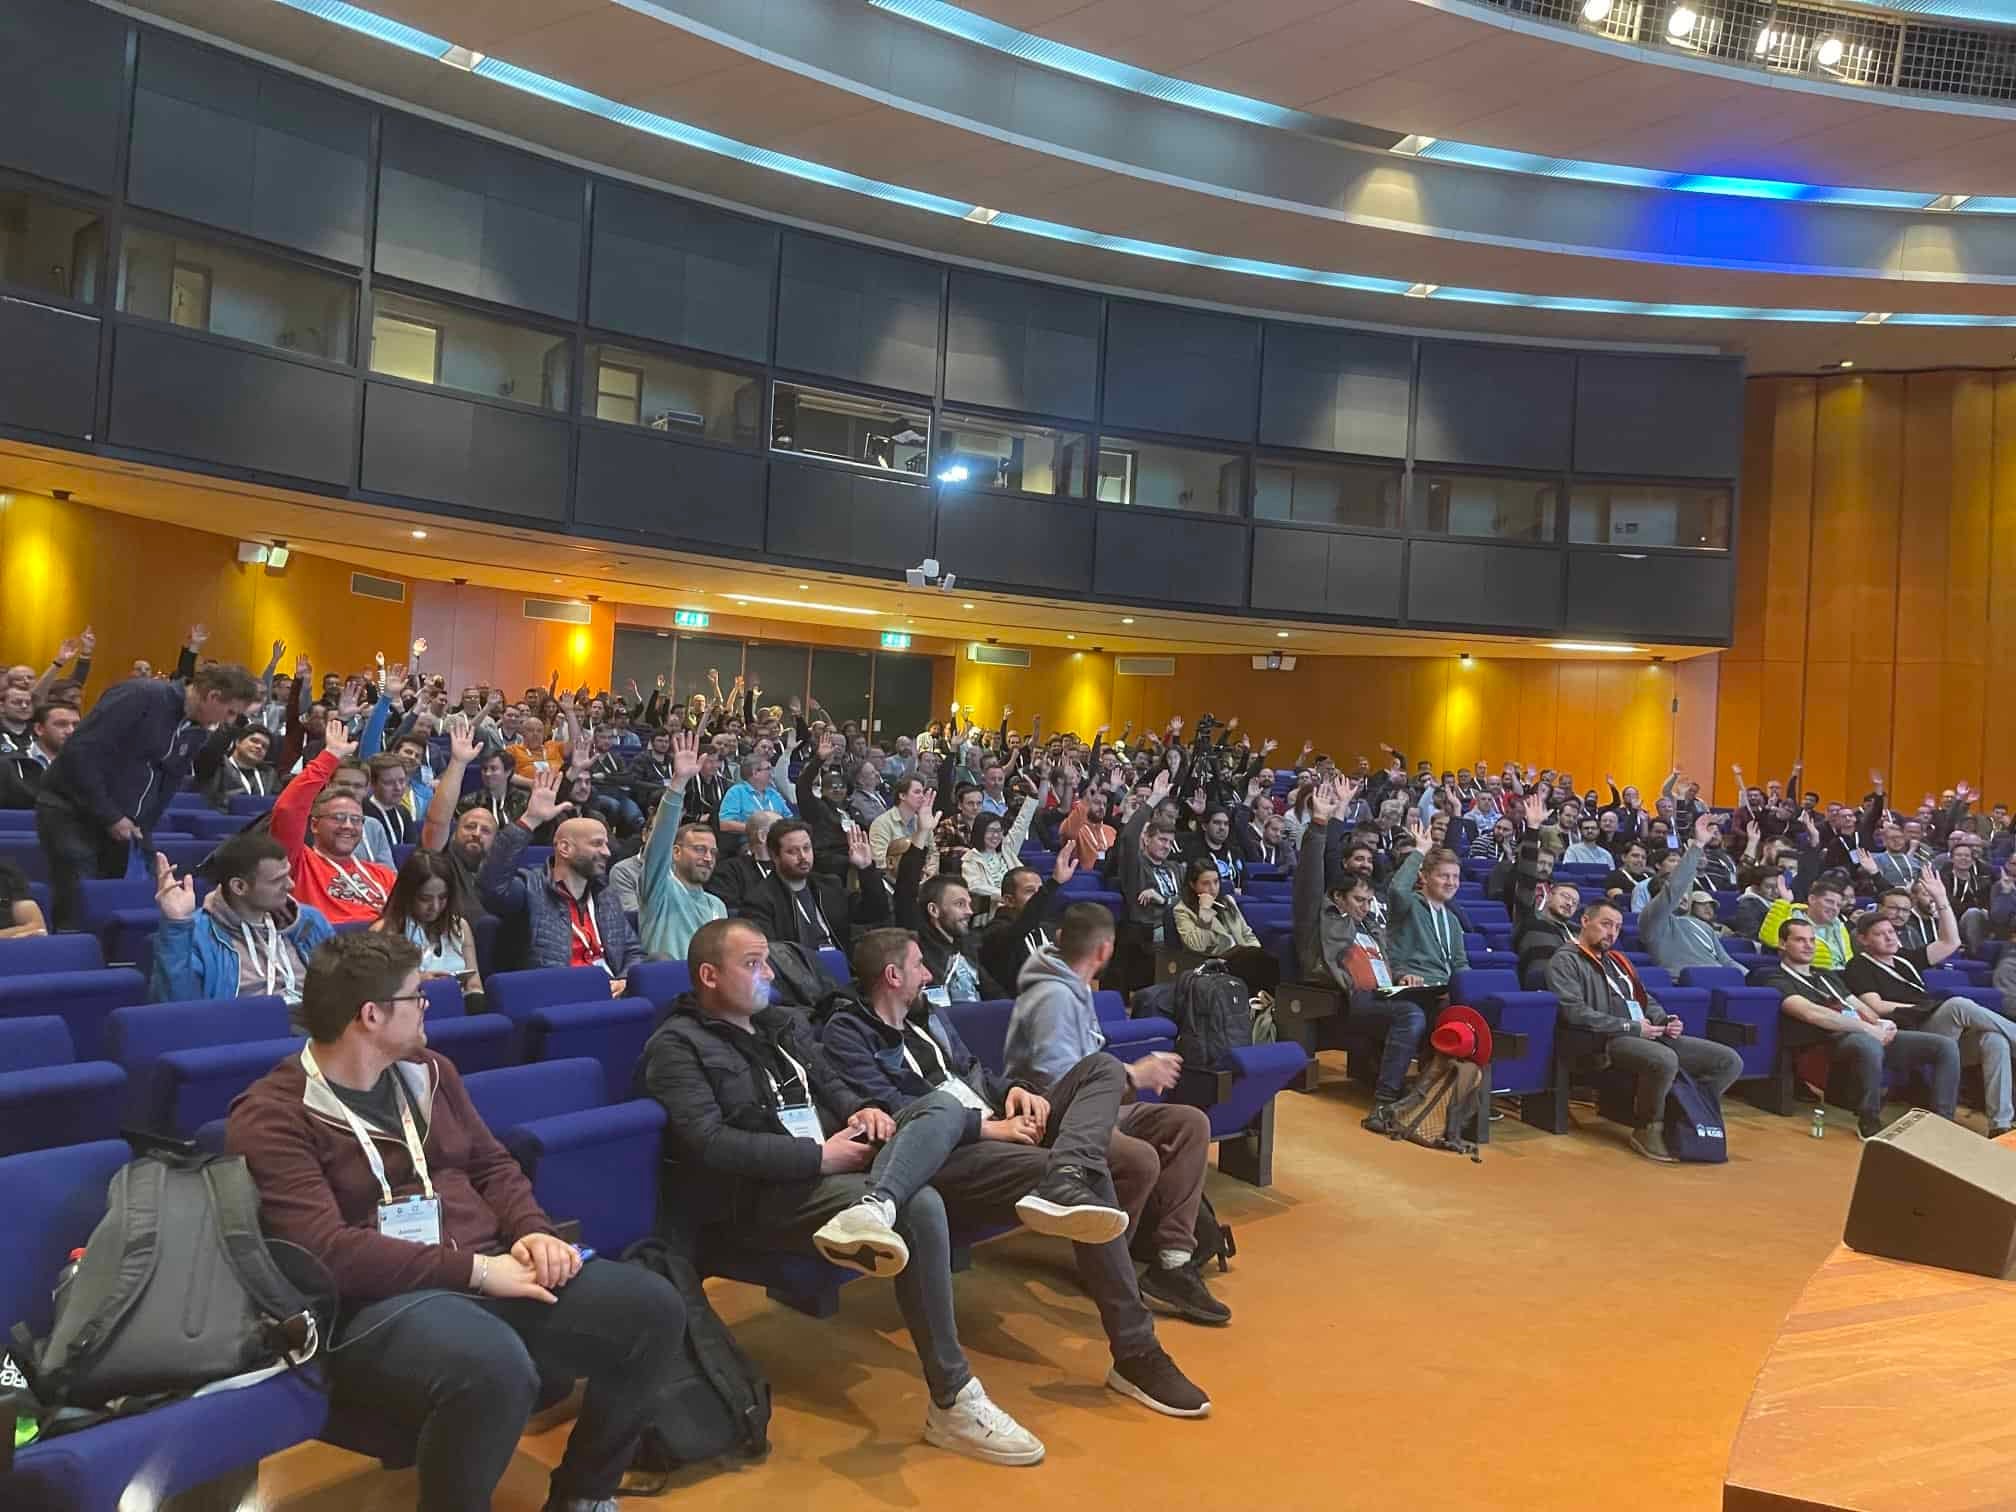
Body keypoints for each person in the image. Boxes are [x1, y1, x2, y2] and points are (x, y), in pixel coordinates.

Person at [226, 932, 688, 1512]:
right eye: (416, 996)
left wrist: (532, 1230)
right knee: (492, 1367)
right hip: (371, 1302)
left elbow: (493, 1165)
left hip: (485, 1263)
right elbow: (325, 1252)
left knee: (653, 1310)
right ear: (371, 1015)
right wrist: (477, 1271)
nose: (428, 1005)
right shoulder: (272, 1114)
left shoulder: (428, 1070)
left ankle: (584, 1494)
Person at [638, 919, 1047, 1465]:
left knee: (942, 1106)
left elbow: (828, 1082)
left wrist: (861, 1110)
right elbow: (710, 1145)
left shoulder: (780, 1026)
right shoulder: (676, 1046)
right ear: (709, 975)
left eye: (768, 963)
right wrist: (819, 1156)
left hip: (826, 1171)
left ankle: (876, 1204)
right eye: (753, 964)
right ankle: (954, 1400)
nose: (767, 976)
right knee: (920, 1203)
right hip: (758, 1197)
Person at [819, 927, 1210, 1417]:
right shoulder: (845, 1033)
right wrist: (991, 1128)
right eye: (920, 965)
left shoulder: (928, 1018)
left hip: (999, 1123)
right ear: (893, 975)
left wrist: (1015, 1092)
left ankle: (1068, 1169)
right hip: (949, 1153)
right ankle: (1135, 1353)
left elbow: (974, 1073)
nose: (930, 974)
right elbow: (897, 1114)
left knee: (1104, 1068)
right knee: (1099, 1174)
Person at [1005, 904, 1226, 1325]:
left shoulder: (1077, 989)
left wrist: (1130, 1078)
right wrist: (1135, 1073)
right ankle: (1109, 1266)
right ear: (1105, 949)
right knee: (1139, 1157)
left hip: (1101, 1108)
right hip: (1061, 1122)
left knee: (1190, 1124)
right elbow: (1059, 1084)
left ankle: (1174, 1261)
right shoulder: (1051, 997)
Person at [37, 660, 258, 930]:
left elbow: (169, 781)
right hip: (71, 811)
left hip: (125, 823)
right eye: (230, 712)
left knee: (116, 901)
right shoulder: (140, 696)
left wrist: (144, 827)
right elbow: (80, 755)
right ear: (212, 696)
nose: (229, 721)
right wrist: (111, 816)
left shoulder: (197, 728)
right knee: (80, 898)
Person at [1545, 898, 1743, 1162]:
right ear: (1585, 921)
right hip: (1602, 1040)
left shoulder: (1617, 961)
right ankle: (1649, 1127)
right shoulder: (1565, 960)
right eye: (1605, 924)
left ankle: (1683, 1113)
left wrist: (1665, 1019)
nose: (1611, 932)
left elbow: (1644, 999)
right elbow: (1574, 1012)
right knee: (1664, 1059)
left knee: (1727, 1061)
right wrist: (1632, 1027)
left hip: (1643, 1033)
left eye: (1616, 927)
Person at [1292, 776, 1429, 1127]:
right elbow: (1311, 875)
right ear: (1338, 898)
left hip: (1382, 993)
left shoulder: (1369, 924)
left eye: (1369, 900)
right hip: (1346, 1000)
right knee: (1410, 1016)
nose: (1366, 907)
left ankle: (1430, 1096)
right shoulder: (1319, 916)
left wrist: (1402, 976)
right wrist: (1322, 823)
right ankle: (1385, 1102)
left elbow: (1382, 964)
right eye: (1359, 900)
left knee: (1435, 1003)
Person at [1845, 867, 2016, 1138]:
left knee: (1995, 1040)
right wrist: (1922, 1008)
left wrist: (1942, 900)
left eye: (1892, 932)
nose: (1890, 937)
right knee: (1957, 1003)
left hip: (1939, 1031)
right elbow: (1876, 1006)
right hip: (1909, 1030)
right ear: (1864, 940)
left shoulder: (1905, 959)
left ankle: (2000, 1124)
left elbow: (1951, 941)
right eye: (1880, 934)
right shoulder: (1858, 966)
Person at [1764, 917, 1959, 1139]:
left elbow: (1859, 1006)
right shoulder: (1774, 978)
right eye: (1800, 940)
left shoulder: (1826, 975)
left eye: (1812, 940)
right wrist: (1866, 1029)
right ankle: (1869, 1120)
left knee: (1943, 1046)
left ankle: (1944, 1121)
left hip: (1861, 1033)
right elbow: (1812, 1014)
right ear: (1782, 944)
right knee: (1868, 1043)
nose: (1809, 945)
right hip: (1824, 1042)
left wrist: (1882, 1024)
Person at [478, 770, 636, 987]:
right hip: (560, 995)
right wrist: (530, 820)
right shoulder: (529, 888)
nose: (607, 852)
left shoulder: (606, 894)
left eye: (606, 845)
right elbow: (491, 887)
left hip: (612, 994)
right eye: (597, 844)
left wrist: (625, 979)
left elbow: (632, 950)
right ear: (564, 848)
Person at [149, 832, 333, 1005]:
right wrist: (176, 925)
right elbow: (176, 1008)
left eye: (288, 875)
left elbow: (341, 985)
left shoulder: (310, 921)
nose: (291, 885)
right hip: (245, 1029)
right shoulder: (197, 933)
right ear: (239, 887)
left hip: (317, 1026)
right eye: (278, 880)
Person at [271, 718, 398, 928]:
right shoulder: (299, 865)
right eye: (338, 817)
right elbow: (287, 810)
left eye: (356, 820)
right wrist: (329, 757)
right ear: (314, 825)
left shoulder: (382, 875)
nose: (348, 826)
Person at [633, 730, 726, 960]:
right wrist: (679, 783)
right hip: (670, 988)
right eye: (699, 849)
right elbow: (660, 843)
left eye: (712, 852)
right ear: (675, 852)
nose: (708, 858)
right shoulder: (660, 889)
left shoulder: (718, 905)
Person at [737, 818, 889, 951]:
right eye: (792, 851)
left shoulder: (829, 885)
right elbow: (772, 954)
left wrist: (866, 868)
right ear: (775, 856)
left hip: (842, 969)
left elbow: (876, 911)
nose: (803, 857)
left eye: (806, 848)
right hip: (801, 976)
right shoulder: (760, 901)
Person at [375, 849, 485, 1005]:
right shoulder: (385, 931)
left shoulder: (460, 926)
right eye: (425, 898)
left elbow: (474, 984)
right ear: (408, 894)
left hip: (457, 1007)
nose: (435, 907)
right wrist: (419, 979)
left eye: (442, 897)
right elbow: (377, 990)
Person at [1640, 814, 1744, 973]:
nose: (1683, 897)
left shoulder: (1701, 925)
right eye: (1680, 893)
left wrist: (1751, 978)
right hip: (1684, 985)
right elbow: (1674, 889)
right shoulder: (1652, 920)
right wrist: (1698, 845)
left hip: (1722, 980)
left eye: (1686, 893)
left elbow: (1727, 961)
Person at [1172, 857, 1278, 995]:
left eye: (1216, 882)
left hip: (1246, 957)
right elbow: (1196, 946)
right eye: (1205, 883)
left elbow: (1247, 933)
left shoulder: (1227, 901)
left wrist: (1255, 950)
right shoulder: (1183, 910)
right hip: (1216, 963)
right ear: (1193, 885)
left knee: (1271, 961)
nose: (1213, 889)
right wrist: (1204, 914)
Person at [1385, 828, 1468, 999]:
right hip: (1416, 985)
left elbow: (1460, 964)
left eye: (1455, 877)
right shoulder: (1408, 905)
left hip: (1446, 988)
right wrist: (1420, 852)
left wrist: (1471, 984)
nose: (1451, 883)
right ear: (1423, 876)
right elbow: (1398, 890)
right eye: (1444, 876)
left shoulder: (1452, 919)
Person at [978, 850, 1076, 993]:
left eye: (1040, 890)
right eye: (1030, 891)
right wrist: (1054, 883)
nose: (1038, 896)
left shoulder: (1047, 928)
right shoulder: (995, 931)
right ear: (1008, 900)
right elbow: (1022, 926)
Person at [960, 796, 1036, 922]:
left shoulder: (1007, 850)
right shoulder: (970, 859)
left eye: (999, 831)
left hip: (1019, 906)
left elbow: (1021, 825)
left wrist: (1033, 798)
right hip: (994, 915)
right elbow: (974, 886)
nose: (995, 835)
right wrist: (1007, 895)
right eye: (990, 831)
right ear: (980, 832)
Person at [1761, 875, 1855, 968]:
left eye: (1838, 905)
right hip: (1813, 975)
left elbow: (1848, 958)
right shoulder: (1790, 920)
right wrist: (1784, 901)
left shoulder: (1839, 926)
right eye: (1829, 902)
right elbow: (1770, 940)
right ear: (1812, 899)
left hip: (1842, 976)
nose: (1834, 908)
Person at [357, 752, 417, 866]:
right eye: (389, 783)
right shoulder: (363, 814)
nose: (398, 788)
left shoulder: (403, 813)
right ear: (372, 785)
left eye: (402, 781)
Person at [717, 753, 793, 840]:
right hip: (751, 841)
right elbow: (724, 824)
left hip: (778, 840)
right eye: (768, 769)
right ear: (755, 773)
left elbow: (789, 819)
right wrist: (758, 830)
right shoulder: (736, 792)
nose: (772, 772)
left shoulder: (773, 793)